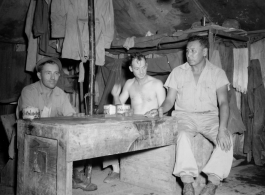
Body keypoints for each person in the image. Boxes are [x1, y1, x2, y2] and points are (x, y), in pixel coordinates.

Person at [145, 36, 233, 195]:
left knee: (227, 140)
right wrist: (160, 110)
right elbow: (170, 100)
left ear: (205, 52)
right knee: (182, 136)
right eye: (187, 51)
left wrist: (222, 129)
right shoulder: (177, 72)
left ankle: (212, 184)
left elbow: (224, 103)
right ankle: (187, 184)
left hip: (210, 118)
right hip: (184, 116)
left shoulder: (217, 73)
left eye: (193, 51)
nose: (189, 54)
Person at [18, 57, 97, 191]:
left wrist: (75, 117)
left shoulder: (60, 93)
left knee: (79, 136)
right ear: (39, 75)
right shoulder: (29, 91)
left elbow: (70, 114)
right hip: (31, 138)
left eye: (56, 73)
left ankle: (74, 176)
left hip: (52, 136)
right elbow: (30, 123)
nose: (53, 77)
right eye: (48, 73)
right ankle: (67, 178)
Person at [102, 53, 166, 183]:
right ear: (131, 69)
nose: (141, 71)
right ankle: (115, 169)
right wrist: (115, 96)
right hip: (133, 123)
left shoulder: (157, 84)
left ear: (146, 65)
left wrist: (157, 112)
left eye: (143, 67)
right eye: (137, 68)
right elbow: (119, 108)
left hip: (151, 124)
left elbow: (164, 110)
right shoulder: (129, 84)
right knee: (108, 134)